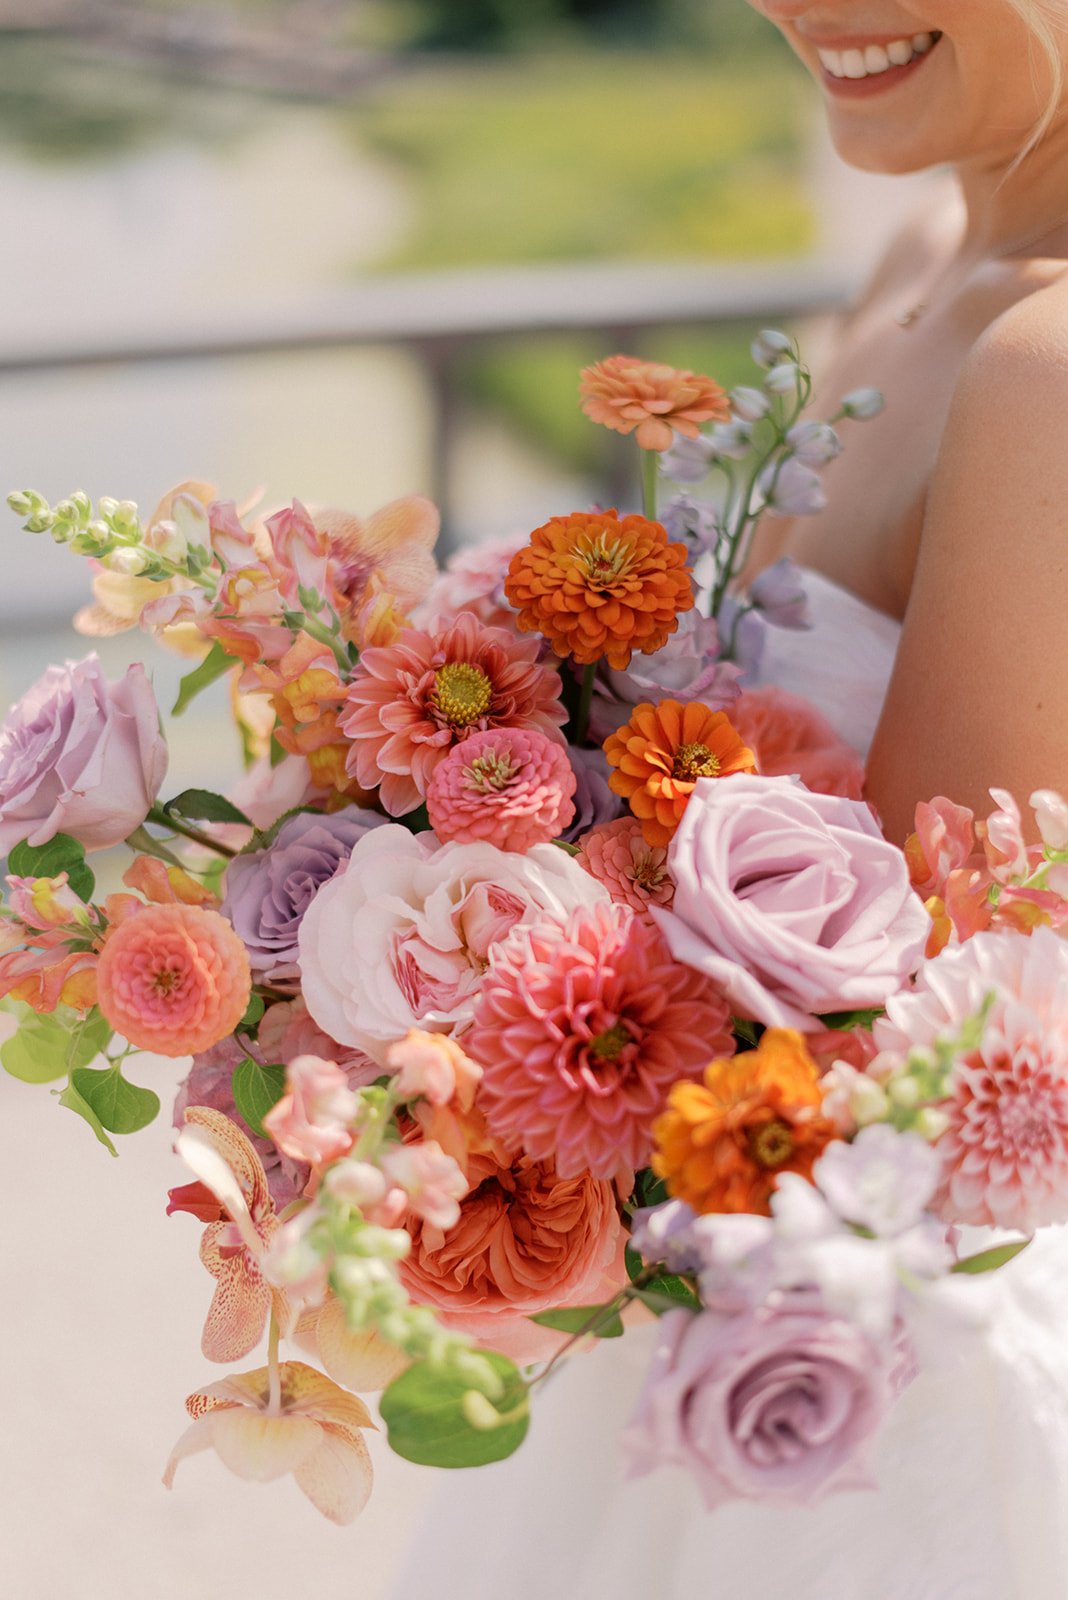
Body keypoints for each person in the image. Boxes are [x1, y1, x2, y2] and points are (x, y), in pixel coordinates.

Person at [386, 6, 1068, 1599]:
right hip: (733, 1255)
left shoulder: (1047, 370)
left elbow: (909, 1029)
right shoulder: (922, 247)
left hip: (871, 1342)